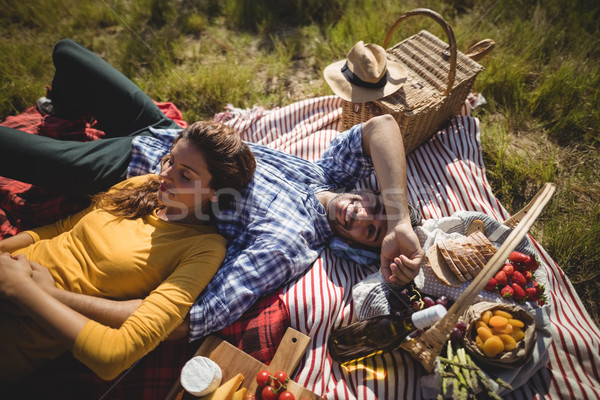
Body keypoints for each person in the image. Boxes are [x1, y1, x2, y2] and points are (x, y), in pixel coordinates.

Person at [0, 39, 424, 345]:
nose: (364, 217)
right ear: (370, 191)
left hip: (136, 169)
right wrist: (398, 221)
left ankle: (61, 139)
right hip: (166, 134)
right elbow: (381, 127)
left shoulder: (289, 242)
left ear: (348, 244)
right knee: (67, 53)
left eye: (369, 232)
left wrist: (54, 298)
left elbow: (198, 317)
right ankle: (64, 113)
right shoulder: (327, 171)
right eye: (376, 209)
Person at [0, 120, 256, 383]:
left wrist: (27, 290)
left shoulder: (203, 247)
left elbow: (113, 356)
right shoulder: (144, 186)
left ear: (214, 192)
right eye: (169, 161)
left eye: (186, 175)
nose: (165, 175)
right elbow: (63, 228)